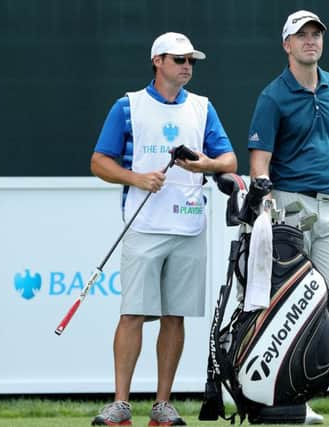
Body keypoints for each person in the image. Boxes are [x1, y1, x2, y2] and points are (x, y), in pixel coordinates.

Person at [90, 32, 237, 426]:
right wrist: (136, 178)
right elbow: (99, 161)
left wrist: (204, 165)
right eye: (179, 59)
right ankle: (121, 404)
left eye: (191, 60)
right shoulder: (128, 107)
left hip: (188, 224)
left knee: (175, 317)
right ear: (158, 61)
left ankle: (162, 405)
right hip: (144, 223)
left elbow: (229, 158)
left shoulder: (203, 108)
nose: (187, 66)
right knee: (133, 314)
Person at [247, 10, 329, 423]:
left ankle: (294, 389)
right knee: (285, 304)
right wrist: (264, 200)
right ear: (287, 45)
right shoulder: (273, 96)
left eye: (316, 35)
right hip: (288, 207)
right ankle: (289, 399)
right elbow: (259, 161)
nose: (311, 41)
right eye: (302, 36)